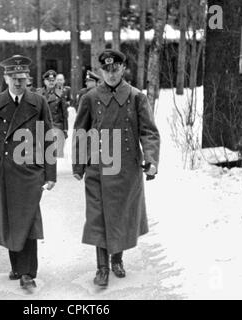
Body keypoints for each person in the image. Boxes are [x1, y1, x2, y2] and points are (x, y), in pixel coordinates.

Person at [72, 49, 160, 287]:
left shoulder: (137, 97)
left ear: (123, 69)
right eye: (106, 70)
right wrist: (78, 164)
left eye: (115, 69)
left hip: (126, 169)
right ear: (100, 71)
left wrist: (151, 159)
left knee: (121, 216)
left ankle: (117, 259)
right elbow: (80, 133)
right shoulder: (89, 98)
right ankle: (102, 268)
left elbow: (149, 131)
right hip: (97, 168)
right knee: (98, 217)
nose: (111, 74)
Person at [0, 54, 57, 290]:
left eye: (23, 78)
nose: (19, 83)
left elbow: (48, 138)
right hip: (4, 171)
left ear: (28, 79)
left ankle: (28, 272)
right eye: (14, 78)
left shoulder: (38, 102)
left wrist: (50, 174)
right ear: (6, 78)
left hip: (30, 171)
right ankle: (17, 266)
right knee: (9, 219)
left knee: (27, 219)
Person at [36, 70, 69, 157]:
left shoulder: (60, 93)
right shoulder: (39, 93)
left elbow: (64, 113)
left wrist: (65, 129)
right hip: (42, 126)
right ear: (44, 81)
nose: (51, 82)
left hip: (56, 126)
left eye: (53, 80)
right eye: (49, 80)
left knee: (55, 154)